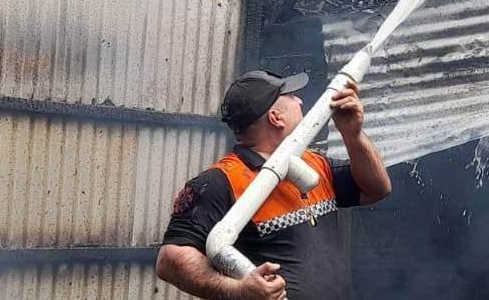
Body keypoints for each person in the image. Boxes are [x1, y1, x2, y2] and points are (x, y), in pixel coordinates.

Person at [157, 69, 391, 299]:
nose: (299, 100)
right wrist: (239, 291)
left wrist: (353, 135)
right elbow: (170, 261)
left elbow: (376, 189)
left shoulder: (314, 162)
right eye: (290, 96)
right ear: (276, 118)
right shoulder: (220, 181)